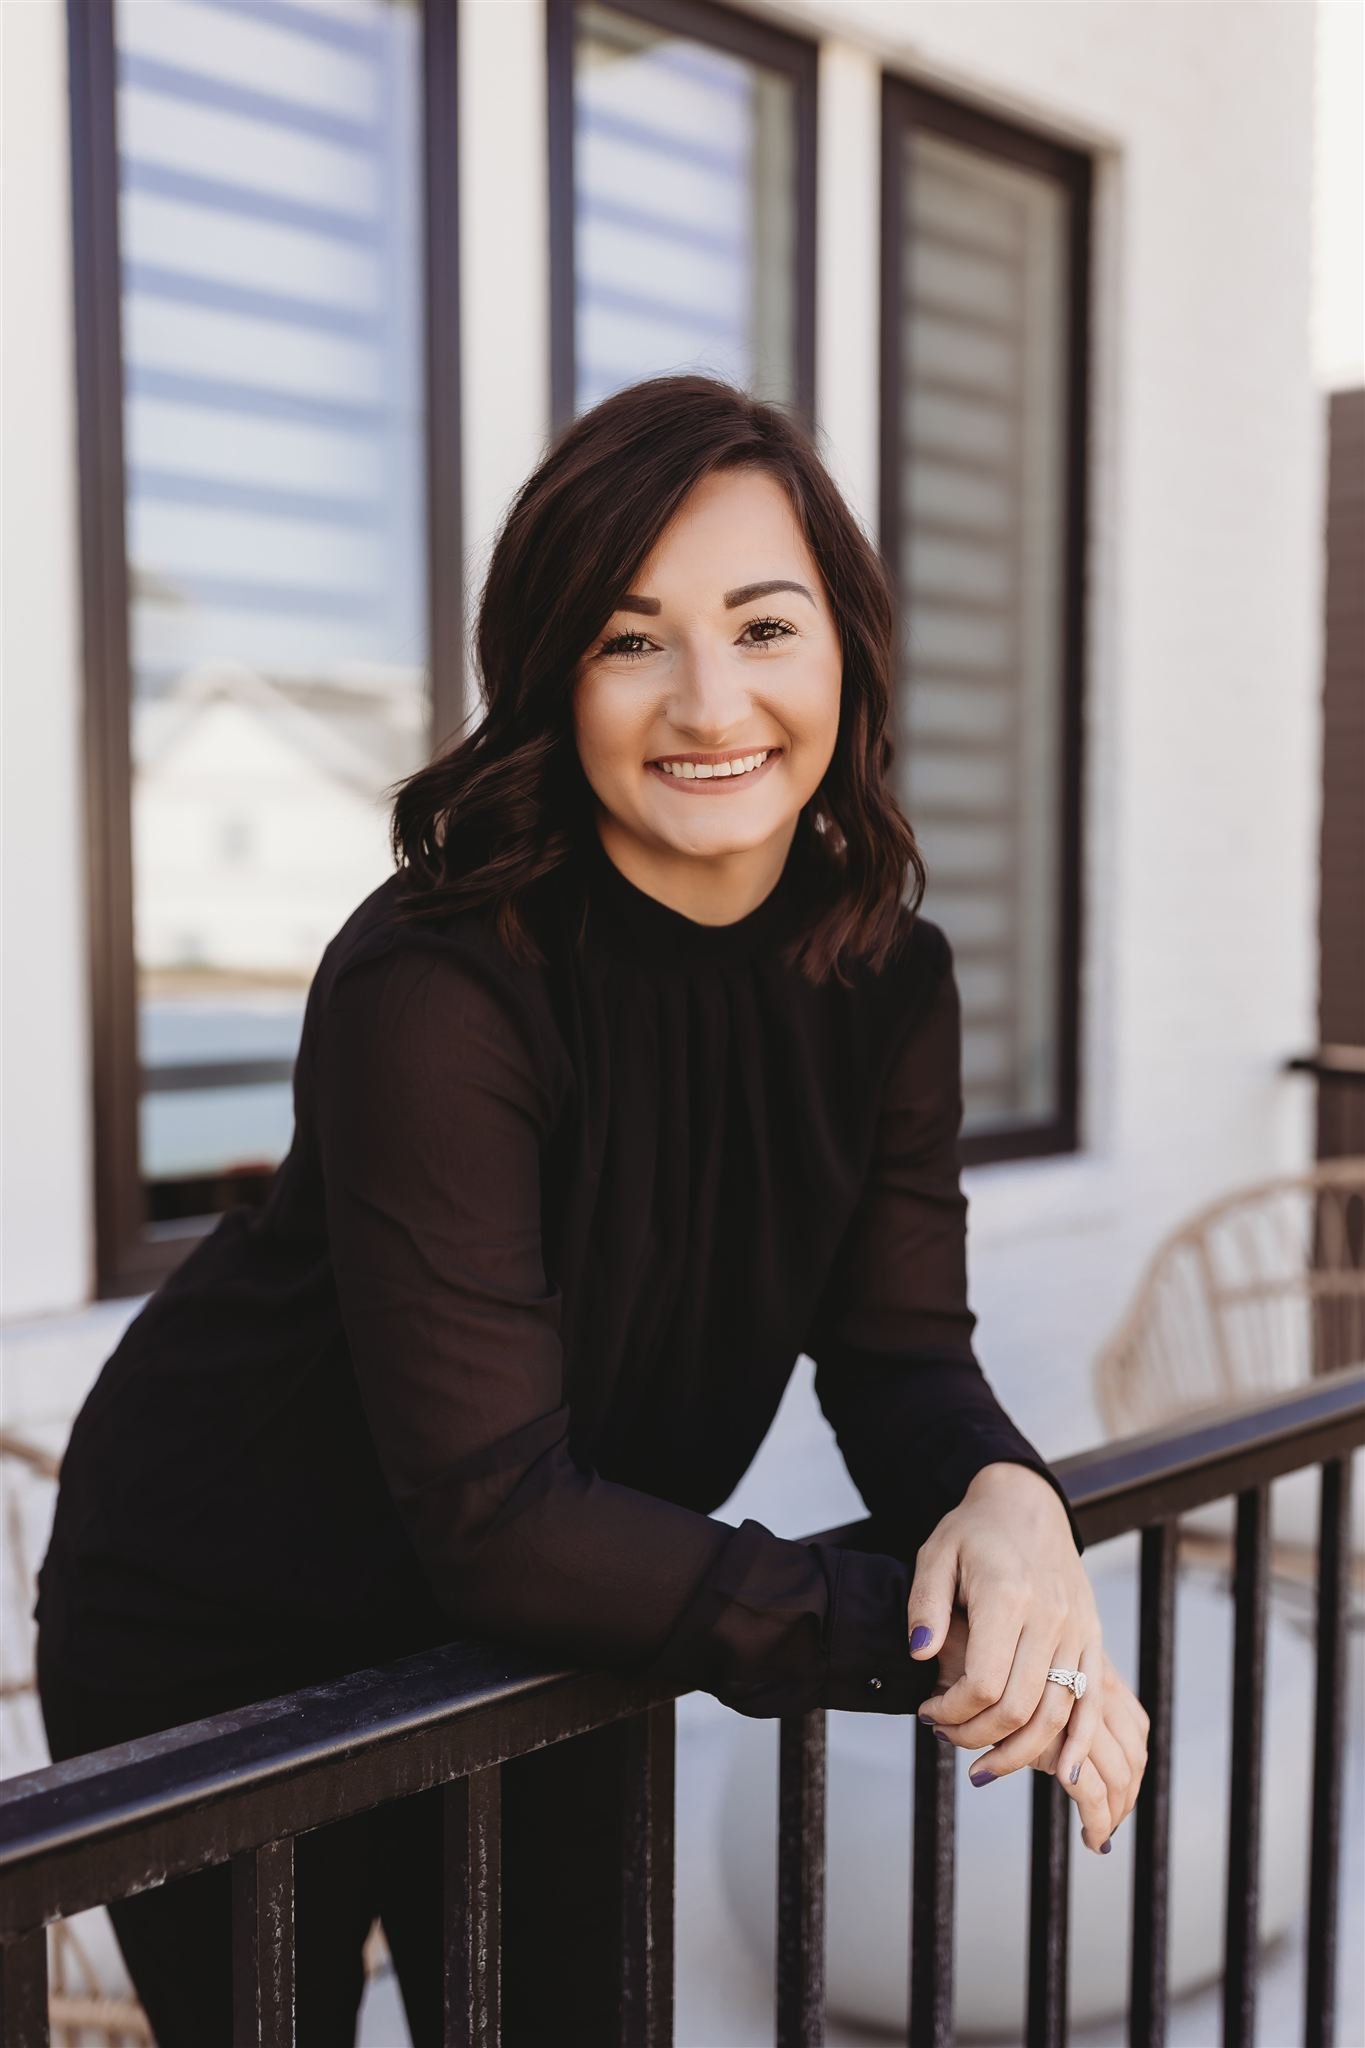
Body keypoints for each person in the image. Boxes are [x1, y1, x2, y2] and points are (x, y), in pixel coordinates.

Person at [35, 373, 1148, 2045]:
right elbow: (497, 1514)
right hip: (237, 1631)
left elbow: (900, 1353)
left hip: (577, 1606)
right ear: (552, 675)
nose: (710, 700)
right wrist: (933, 1639)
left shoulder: (886, 976)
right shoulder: (436, 982)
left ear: (842, 644)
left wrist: (1007, 1506)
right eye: (631, 640)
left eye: (762, 626)